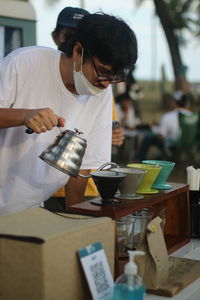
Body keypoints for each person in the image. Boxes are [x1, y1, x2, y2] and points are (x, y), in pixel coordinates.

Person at [0, 12, 138, 216]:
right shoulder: (25, 63)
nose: (106, 83)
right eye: (101, 72)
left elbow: (82, 167)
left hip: (31, 208)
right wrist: (23, 116)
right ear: (78, 51)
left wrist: (74, 218)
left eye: (114, 77)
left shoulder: (101, 92)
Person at [45, 7, 124, 211]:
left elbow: (108, 129)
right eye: (67, 36)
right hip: (43, 189)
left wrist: (113, 134)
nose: (70, 42)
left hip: (84, 185)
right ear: (56, 37)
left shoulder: (98, 87)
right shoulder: (37, 70)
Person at [135, 91, 193, 161]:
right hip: (189, 145)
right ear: (186, 103)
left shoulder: (167, 116)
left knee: (148, 137)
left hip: (172, 146)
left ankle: (140, 160)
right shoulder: (192, 116)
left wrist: (156, 130)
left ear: (174, 102)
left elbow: (162, 136)